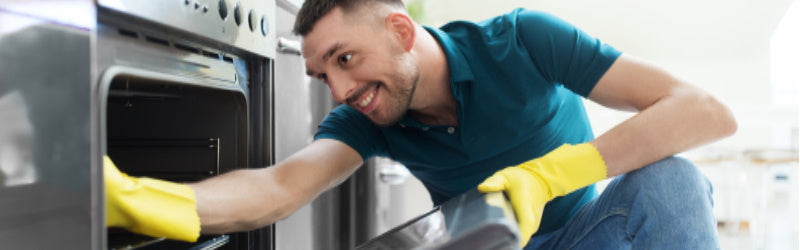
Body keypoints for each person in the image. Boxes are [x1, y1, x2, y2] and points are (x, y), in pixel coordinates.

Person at [104, 0, 737, 248]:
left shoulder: (522, 41)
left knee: (674, 179)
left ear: (402, 30)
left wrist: (553, 173)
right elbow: (280, 188)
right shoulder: (369, 117)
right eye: (324, 75)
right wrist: (142, 199)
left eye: (346, 59)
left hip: (583, 233)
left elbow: (706, 111)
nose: (342, 90)